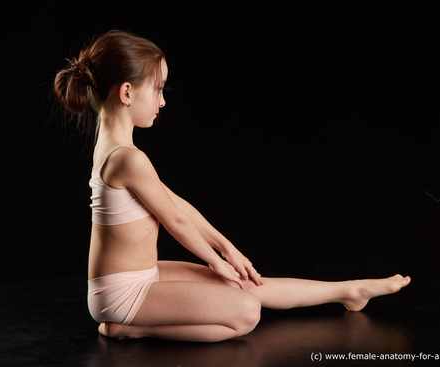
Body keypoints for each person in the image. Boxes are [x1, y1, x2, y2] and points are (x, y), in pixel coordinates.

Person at [54, 30, 411, 343]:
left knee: (247, 283)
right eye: (158, 89)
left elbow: (178, 207)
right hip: (121, 294)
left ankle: (350, 291)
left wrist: (229, 250)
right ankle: (131, 328)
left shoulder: (117, 152)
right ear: (127, 92)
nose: (162, 101)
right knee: (246, 311)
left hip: (140, 276)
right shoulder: (128, 159)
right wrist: (214, 262)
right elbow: (175, 223)